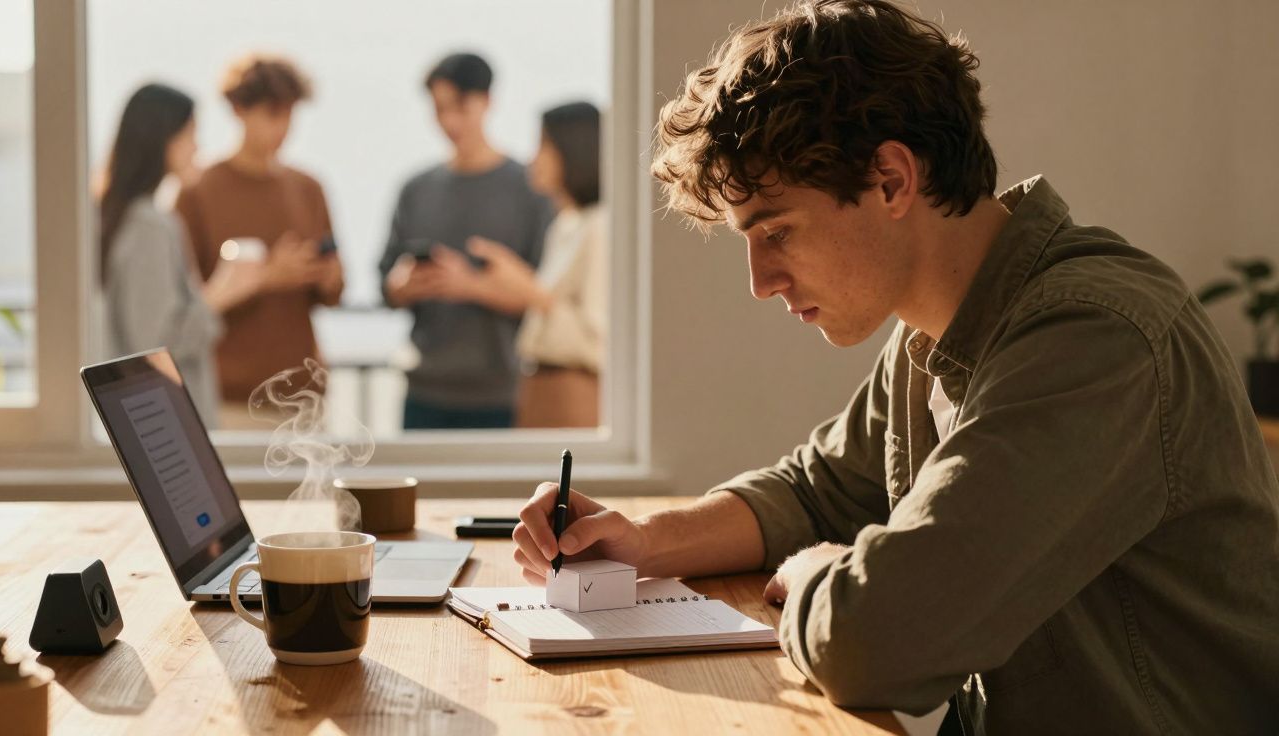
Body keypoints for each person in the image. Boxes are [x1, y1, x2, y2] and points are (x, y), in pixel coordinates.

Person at [512, 2, 1279, 733]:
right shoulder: (928, 336)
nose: (759, 281)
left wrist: (815, 572)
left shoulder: (1095, 339)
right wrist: (647, 540)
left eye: (775, 230)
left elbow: (876, 644)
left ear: (890, 179)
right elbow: (814, 491)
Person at [378, 52, 555, 430]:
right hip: (422, 390)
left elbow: (544, 296)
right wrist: (402, 286)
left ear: (488, 101)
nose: (449, 120)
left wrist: (469, 286)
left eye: (460, 106)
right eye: (439, 108)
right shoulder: (415, 189)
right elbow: (385, 284)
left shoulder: (530, 188)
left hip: (500, 393)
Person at [176, 54, 343, 428]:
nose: (282, 128)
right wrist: (267, 277)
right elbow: (184, 304)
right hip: (231, 398)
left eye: (289, 114)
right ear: (238, 109)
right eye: (272, 114)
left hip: (303, 397)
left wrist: (327, 276)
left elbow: (332, 294)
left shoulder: (309, 188)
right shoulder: (198, 192)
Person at [425, 101, 606, 428]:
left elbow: (597, 343)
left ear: (574, 150)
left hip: (572, 395)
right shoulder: (566, 224)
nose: (533, 158)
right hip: (540, 389)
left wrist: (528, 289)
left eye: (544, 145)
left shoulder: (599, 227)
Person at [99, 83, 263, 428]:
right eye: (191, 135)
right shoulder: (150, 226)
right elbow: (154, 344)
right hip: (167, 425)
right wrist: (221, 294)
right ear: (163, 140)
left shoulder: (115, 216)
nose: (197, 147)